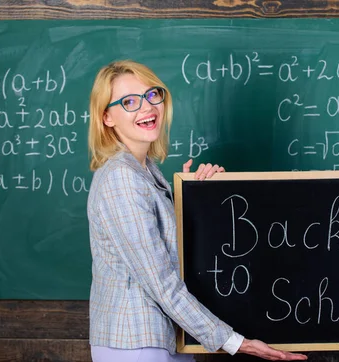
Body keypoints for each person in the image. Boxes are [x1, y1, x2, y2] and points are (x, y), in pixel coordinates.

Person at [86, 60, 308, 362]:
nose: (147, 107)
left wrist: (199, 196)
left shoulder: (145, 171)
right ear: (107, 117)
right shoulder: (122, 178)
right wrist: (237, 343)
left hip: (164, 338)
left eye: (152, 94)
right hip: (136, 342)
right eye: (128, 102)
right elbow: (160, 281)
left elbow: (171, 248)